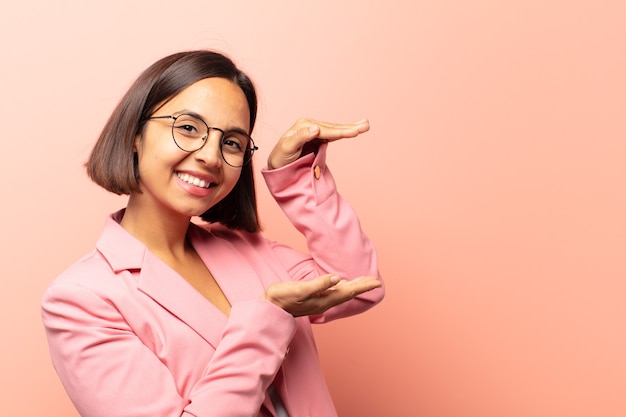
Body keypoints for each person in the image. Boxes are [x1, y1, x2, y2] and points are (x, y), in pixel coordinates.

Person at [41, 50, 384, 417]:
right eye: (188, 128)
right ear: (135, 134)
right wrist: (269, 318)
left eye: (232, 142)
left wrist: (297, 177)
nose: (211, 156)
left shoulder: (247, 249)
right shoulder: (81, 300)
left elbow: (359, 283)